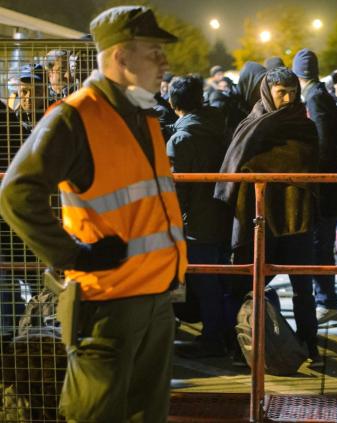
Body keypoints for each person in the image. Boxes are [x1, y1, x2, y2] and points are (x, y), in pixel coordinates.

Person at [0, 6, 187, 421]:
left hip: (153, 299)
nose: (165, 62)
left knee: (145, 414)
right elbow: (15, 193)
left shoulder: (143, 117)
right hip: (108, 306)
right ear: (122, 57)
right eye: (154, 51)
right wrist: (73, 256)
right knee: (95, 413)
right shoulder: (75, 117)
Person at [214, 67, 322, 364]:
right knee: (250, 283)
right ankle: (243, 345)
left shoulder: (305, 126)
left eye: (292, 92)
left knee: (303, 287)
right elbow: (238, 161)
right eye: (281, 93)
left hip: (295, 217)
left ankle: (309, 344)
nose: (288, 99)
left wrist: (259, 166)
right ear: (268, 92)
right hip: (255, 218)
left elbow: (302, 160)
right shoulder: (252, 122)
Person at [166, 75, 232, 358]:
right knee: (217, 281)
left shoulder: (181, 139)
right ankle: (222, 335)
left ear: (173, 102)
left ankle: (213, 339)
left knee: (204, 284)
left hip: (193, 221)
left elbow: (176, 189)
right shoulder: (220, 127)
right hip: (221, 216)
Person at [292, 48, 337, 323]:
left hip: (324, 187)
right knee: (320, 244)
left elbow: (323, 142)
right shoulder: (319, 94)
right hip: (326, 185)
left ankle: (326, 299)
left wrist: (311, 171)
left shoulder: (315, 97)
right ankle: (325, 297)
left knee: (319, 245)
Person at [15, 64, 47, 134]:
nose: (28, 97)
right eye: (24, 91)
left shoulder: (54, 117)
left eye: (35, 92)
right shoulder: (11, 118)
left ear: (45, 92)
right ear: (17, 91)